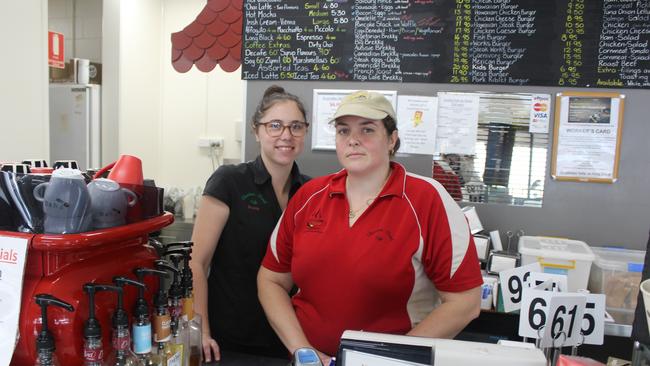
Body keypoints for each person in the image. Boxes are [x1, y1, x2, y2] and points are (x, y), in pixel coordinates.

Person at [258, 90, 483, 363]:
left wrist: (389, 359)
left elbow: (465, 303)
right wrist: (303, 351)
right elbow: (271, 280)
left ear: (392, 139)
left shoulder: (427, 200)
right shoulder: (309, 196)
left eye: (367, 130)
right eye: (343, 131)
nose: (353, 140)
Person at [189, 85, 310, 362]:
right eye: (275, 126)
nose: (286, 136)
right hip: (230, 340)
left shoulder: (311, 191)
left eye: (296, 127)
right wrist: (202, 331)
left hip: (290, 340)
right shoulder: (229, 181)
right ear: (256, 131)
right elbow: (196, 262)